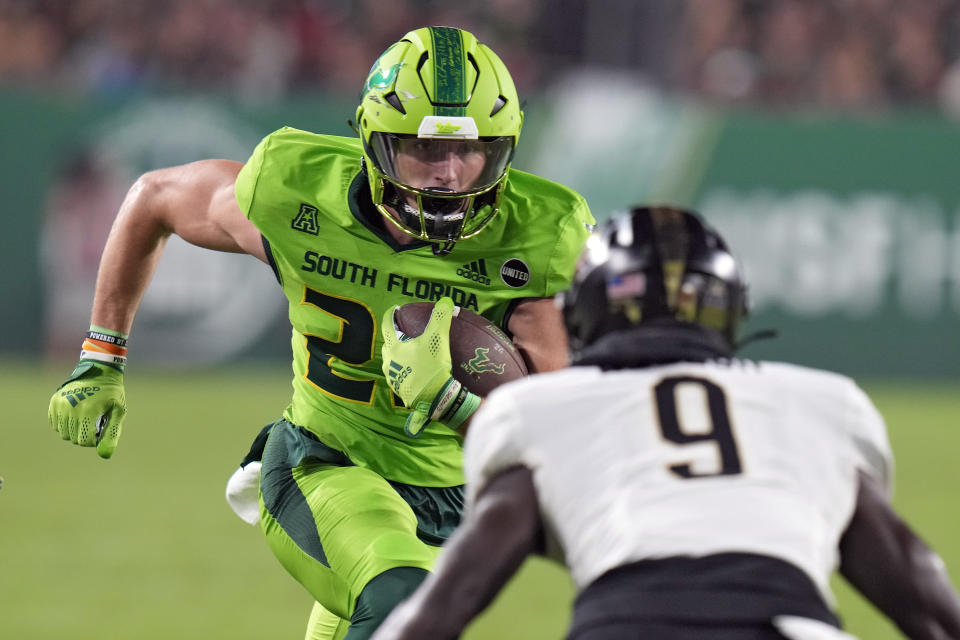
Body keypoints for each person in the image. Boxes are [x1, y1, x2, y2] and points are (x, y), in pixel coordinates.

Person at [46, 26, 593, 640]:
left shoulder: (537, 237)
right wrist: (101, 354)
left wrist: (455, 402)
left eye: (471, 152)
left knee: (383, 605)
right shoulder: (297, 191)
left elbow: (553, 436)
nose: (447, 175)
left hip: (449, 496)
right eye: (422, 148)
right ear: (375, 142)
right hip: (324, 462)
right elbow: (154, 198)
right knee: (400, 603)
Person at [371, 206, 960, 640]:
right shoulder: (818, 403)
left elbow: (454, 597)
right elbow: (919, 588)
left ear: (587, 313)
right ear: (731, 308)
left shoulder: (541, 409)